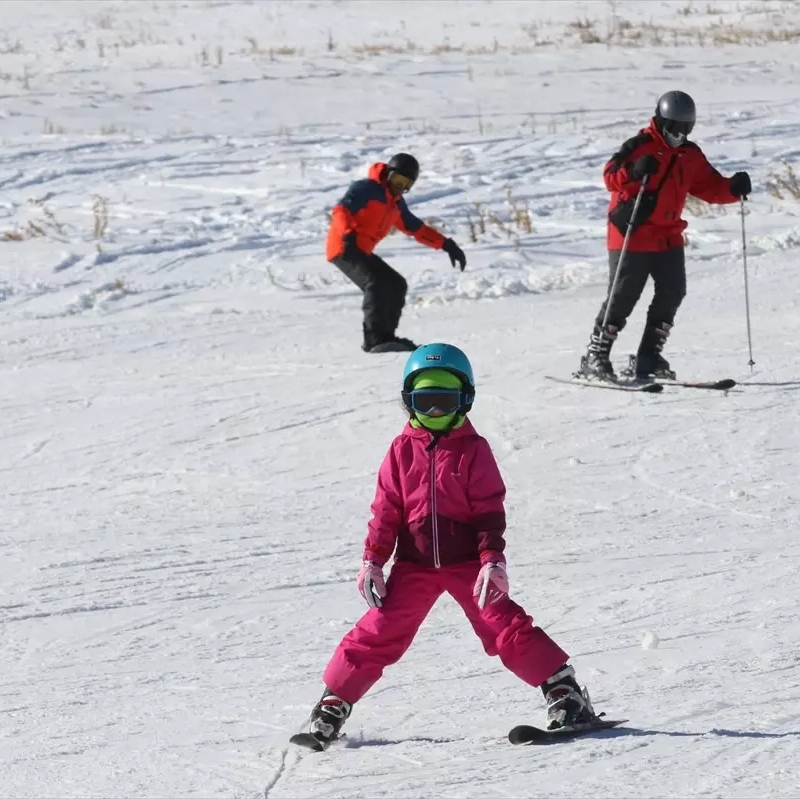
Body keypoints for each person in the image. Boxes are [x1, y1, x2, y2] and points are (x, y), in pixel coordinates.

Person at [300, 343, 598, 746]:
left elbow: (489, 510)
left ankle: (565, 693)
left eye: (446, 402)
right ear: (409, 402)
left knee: (504, 626)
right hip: (413, 565)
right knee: (377, 630)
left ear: (466, 401)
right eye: (426, 403)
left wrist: (493, 561)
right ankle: (333, 703)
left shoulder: (475, 450)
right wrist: (372, 559)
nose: (436, 413)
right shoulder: (400, 450)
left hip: (466, 563)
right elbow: (386, 511)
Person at [578, 90, 752, 382]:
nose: (680, 134)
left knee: (673, 291)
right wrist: (634, 170)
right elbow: (610, 176)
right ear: (661, 121)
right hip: (631, 233)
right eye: (674, 127)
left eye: (686, 129)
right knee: (623, 297)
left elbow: (710, 187)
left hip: (668, 236)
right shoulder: (639, 146)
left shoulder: (689, 155)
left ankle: (648, 357)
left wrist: (733, 189)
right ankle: (596, 356)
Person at [326, 154, 468, 353]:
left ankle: (387, 338)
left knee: (396, 284)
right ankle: (374, 340)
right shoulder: (366, 189)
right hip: (344, 247)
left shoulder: (396, 203)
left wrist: (446, 244)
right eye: (397, 180)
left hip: (361, 250)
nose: (399, 187)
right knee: (375, 283)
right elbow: (341, 211)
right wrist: (348, 234)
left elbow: (415, 228)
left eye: (406, 184)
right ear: (387, 174)